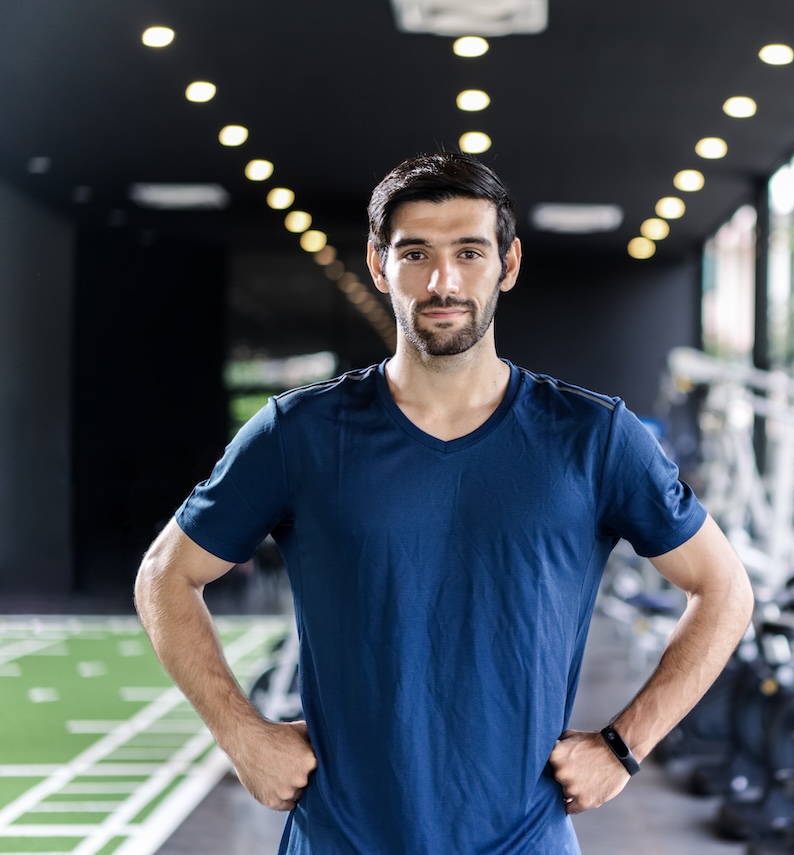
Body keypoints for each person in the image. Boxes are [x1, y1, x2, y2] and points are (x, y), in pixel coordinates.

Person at [133, 151, 754, 854]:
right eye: (415, 254)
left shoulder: (592, 437)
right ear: (378, 265)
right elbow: (165, 576)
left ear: (508, 264)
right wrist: (241, 733)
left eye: (469, 251)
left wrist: (622, 744)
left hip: (524, 840)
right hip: (342, 839)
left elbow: (724, 588)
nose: (443, 281)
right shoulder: (299, 433)